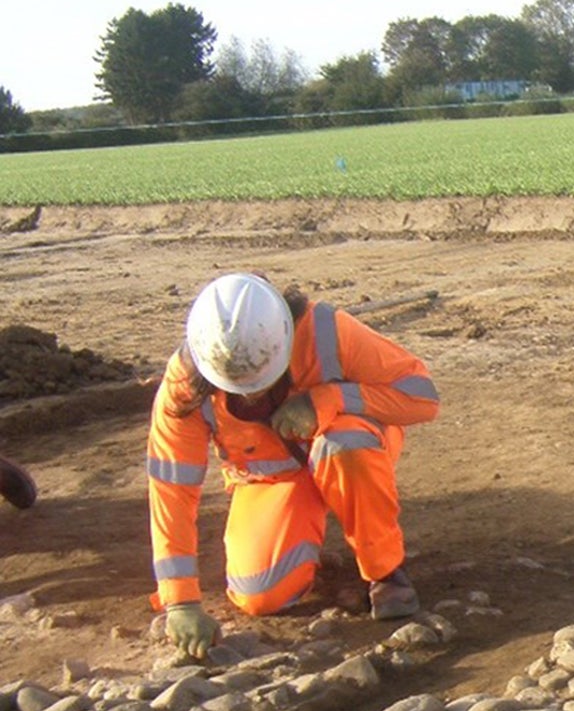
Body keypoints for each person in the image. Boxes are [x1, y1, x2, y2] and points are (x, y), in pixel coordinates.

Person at [147, 272, 441, 659]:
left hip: (348, 450)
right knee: (259, 593)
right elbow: (171, 490)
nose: (253, 394)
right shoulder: (185, 387)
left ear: (284, 339)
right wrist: (180, 602)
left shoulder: (325, 332)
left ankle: (384, 572)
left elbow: (422, 398)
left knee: (345, 443)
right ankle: (311, 546)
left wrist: (328, 400)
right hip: (271, 480)